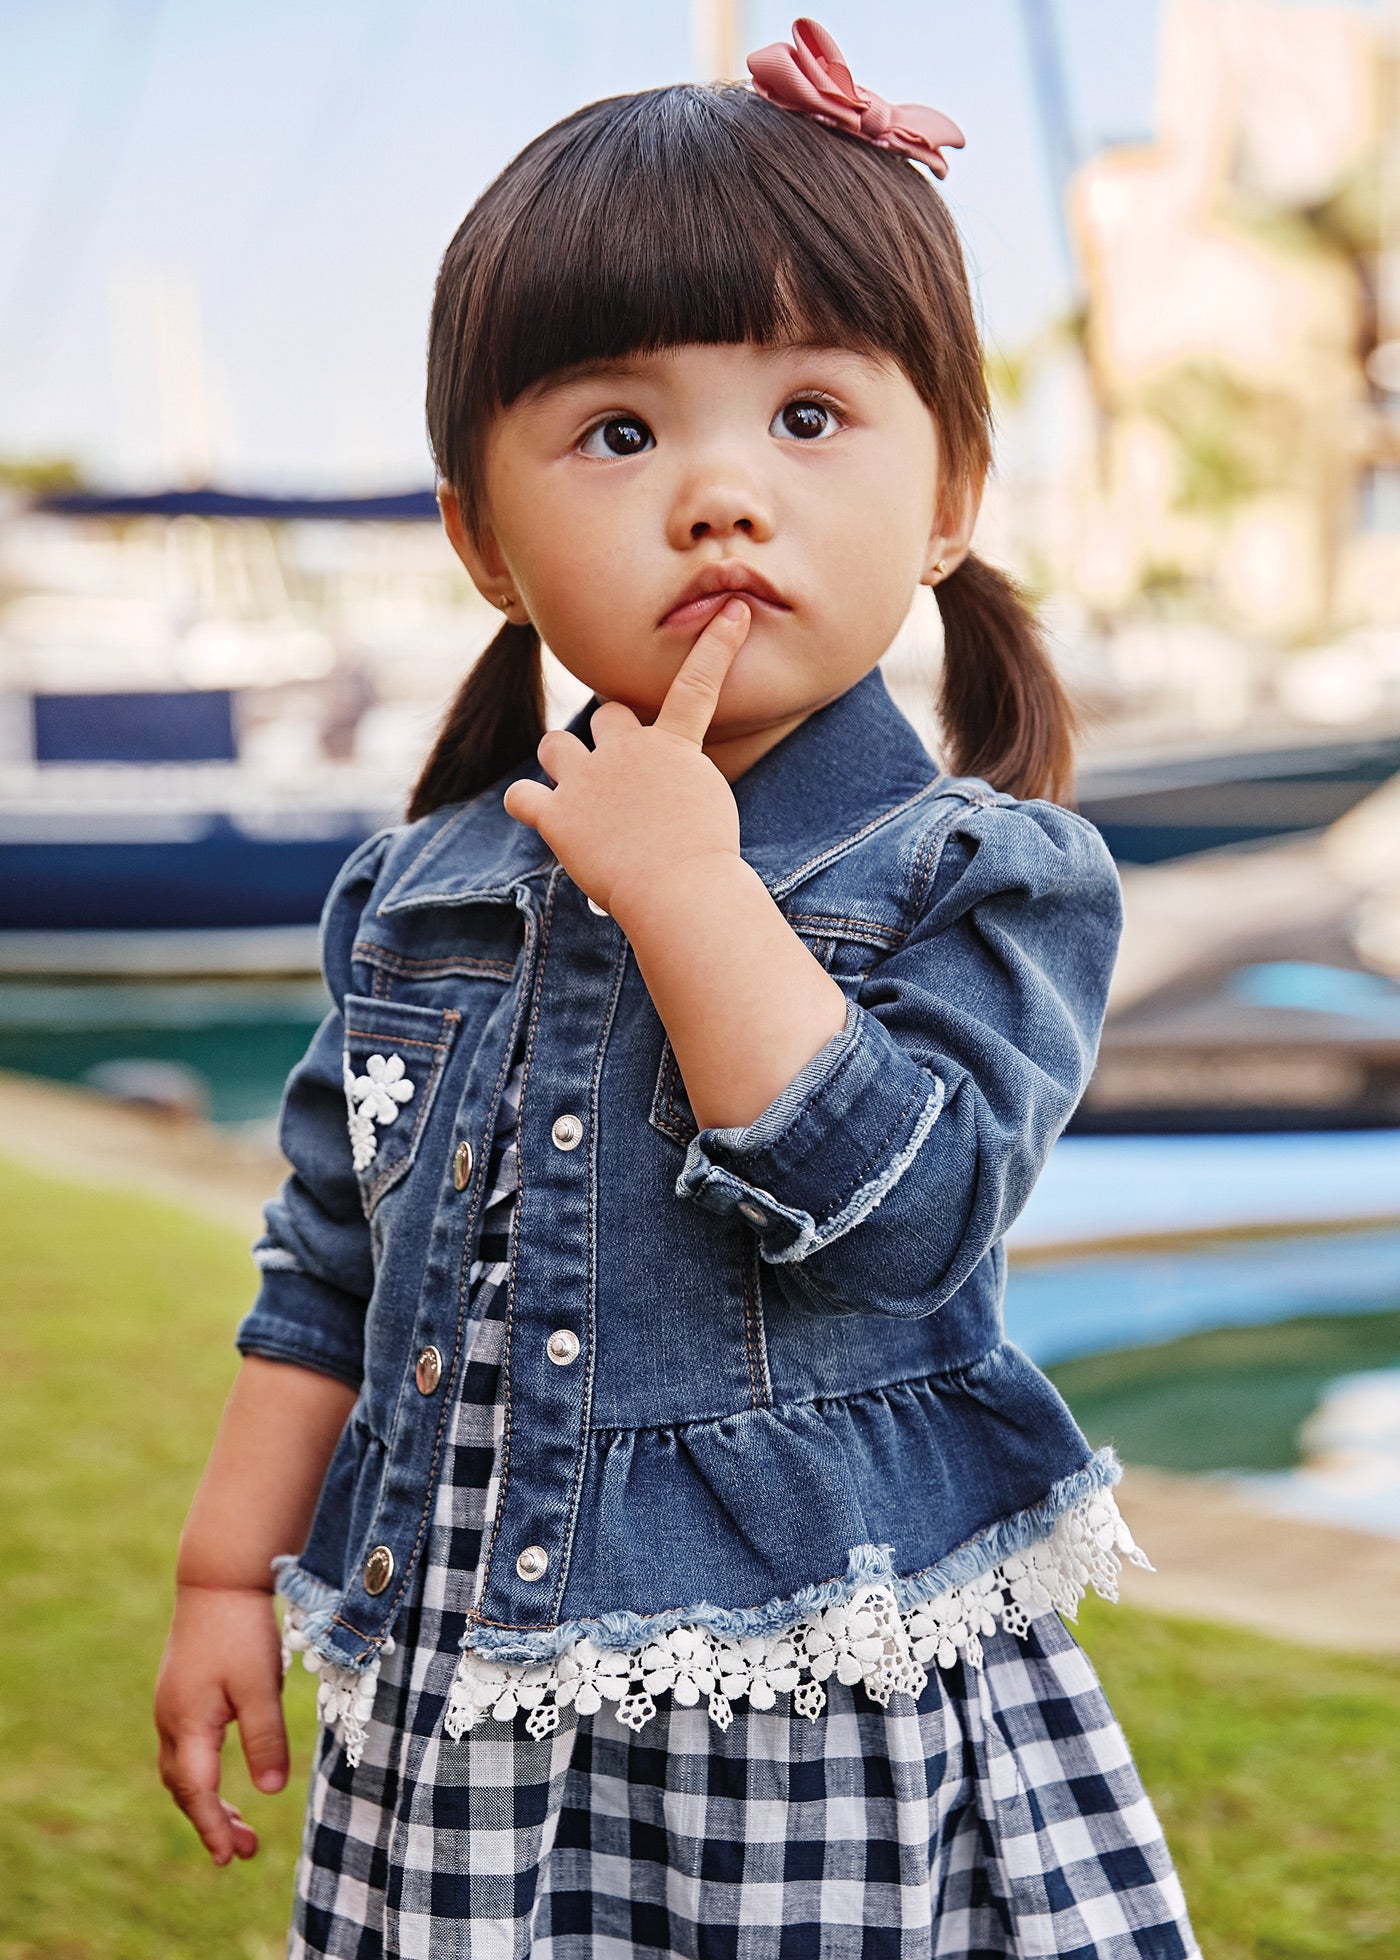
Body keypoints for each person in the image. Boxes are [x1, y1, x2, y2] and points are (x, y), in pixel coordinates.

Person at [155, 20, 1200, 1956]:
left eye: (809, 415)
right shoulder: (419, 892)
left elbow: (907, 1224)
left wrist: (690, 896)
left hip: (809, 1716)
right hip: (467, 1713)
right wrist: (230, 1570)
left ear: (952, 489)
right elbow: (324, 1262)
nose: (722, 493)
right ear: (481, 530)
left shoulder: (974, 872)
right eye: (618, 433)